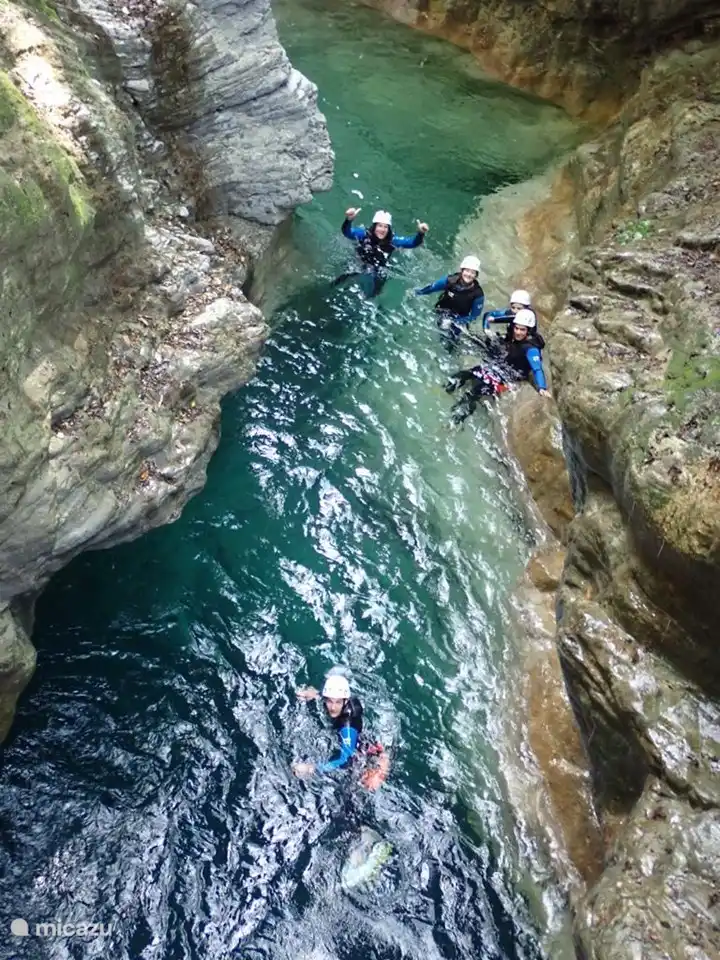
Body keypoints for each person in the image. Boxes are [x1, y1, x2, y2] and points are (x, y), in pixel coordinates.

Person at [445, 307, 550, 422]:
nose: (518, 332)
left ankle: (454, 421)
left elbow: (537, 369)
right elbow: (497, 318)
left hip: (508, 379)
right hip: (500, 367)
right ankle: (444, 392)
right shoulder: (515, 334)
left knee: (474, 393)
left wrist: (542, 388)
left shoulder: (531, 348)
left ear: (528, 330)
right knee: (465, 374)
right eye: (517, 328)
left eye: (522, 330)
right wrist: (490, 322)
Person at [292, 672, 390, 790]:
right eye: (329, 701)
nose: (333, 707)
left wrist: (311, 768)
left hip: (370, 755)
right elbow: (330, 698)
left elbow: (344, 760)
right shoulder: (337, 701)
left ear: (345, 701)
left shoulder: (347, 726)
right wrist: (313, 695)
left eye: (338, 702)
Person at [333, 207, 429, 298]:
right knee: (343, 277)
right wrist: (348, 220)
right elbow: (347, 232)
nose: (382, 230)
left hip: (378, 269)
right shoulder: (364, 234)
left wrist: (420, 233)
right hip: (359, 262)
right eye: (380, 226)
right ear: (374, 226)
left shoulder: (393, 240)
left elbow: (413, 243)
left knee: (376, 290)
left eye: (385, 227)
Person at [413, 255, 484, 349]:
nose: (469, 274)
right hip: (442, 310)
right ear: (462, 270)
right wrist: (418, 293)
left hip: (460, 318)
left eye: (473, 272)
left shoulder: (478, 294)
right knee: (439, 330)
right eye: (467, 270)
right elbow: (432, 288)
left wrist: (454, 322)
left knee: (453, 340)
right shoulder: (450, 280)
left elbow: (474, 316)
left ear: (476, 275)